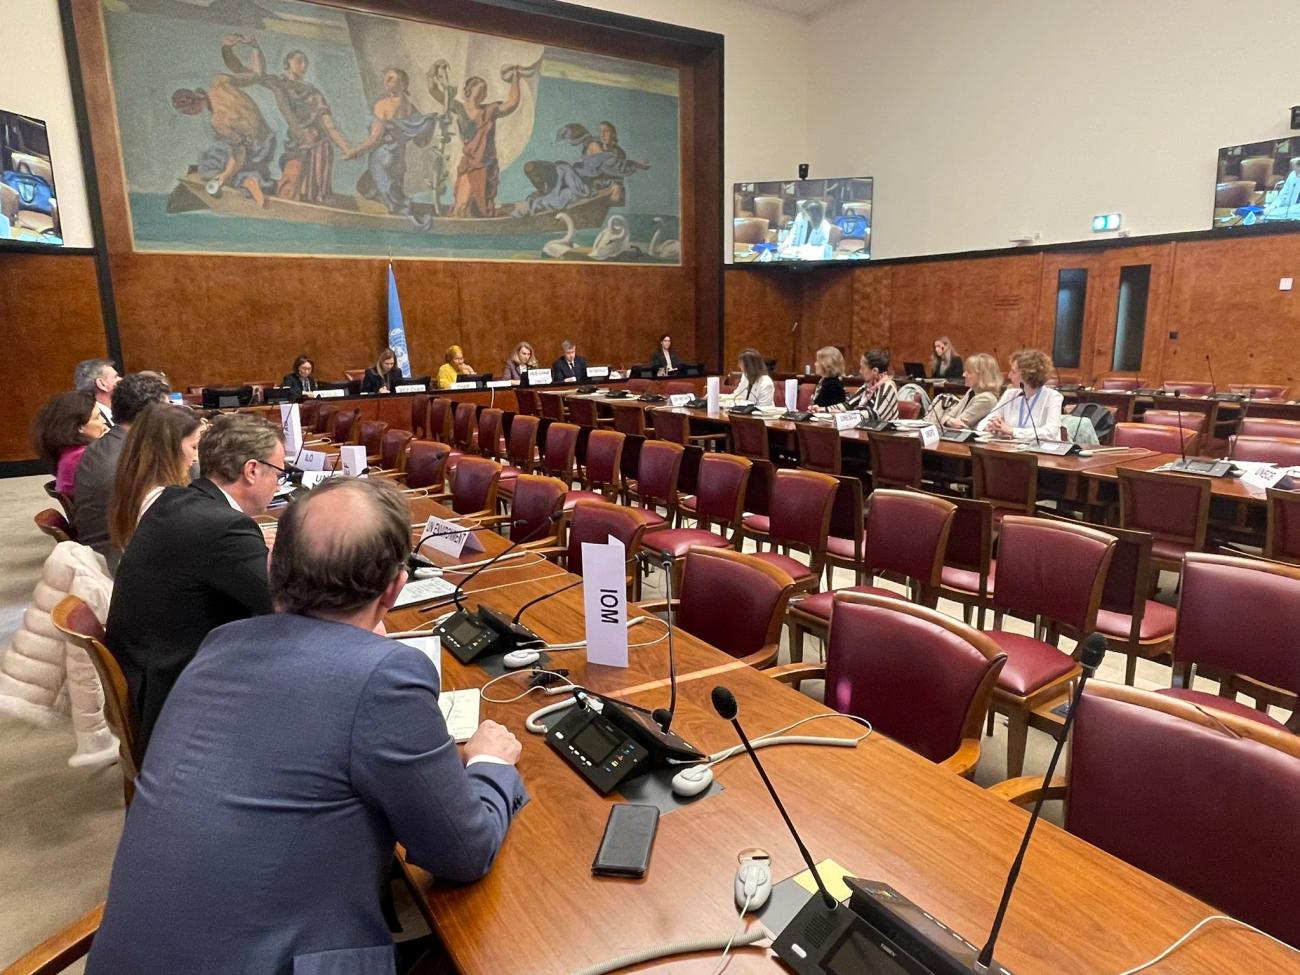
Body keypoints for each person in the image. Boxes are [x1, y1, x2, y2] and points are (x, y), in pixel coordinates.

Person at [86, 478, 527, 975]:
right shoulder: (384, 677)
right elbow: (463, 852)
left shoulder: (220, 644)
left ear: (272, 567)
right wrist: (490, 763)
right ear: (395, 588)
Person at [105, 413, 282, 755]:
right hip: (178, 701)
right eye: (278, 472)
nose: (278, 483)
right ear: (252, 470)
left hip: (150, 675)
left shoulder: (173, 501)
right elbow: (283, 606)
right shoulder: (225, 528)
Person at [73, 373, 172, 566]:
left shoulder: (107, 444)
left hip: (104, 547)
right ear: (151, 416)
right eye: (168, 410)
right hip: (119, 560)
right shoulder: (130, 459)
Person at [171, 41, 277, 208]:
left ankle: (246, 181)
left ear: (191, 108)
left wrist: (226, 175)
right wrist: (255, 47)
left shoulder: (217, 121)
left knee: (209, 170)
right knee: (220, 151)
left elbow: (240, 152)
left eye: (186, 112)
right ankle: (251, 177)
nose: (189, 115)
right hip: (269, 140)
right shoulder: (220, 81)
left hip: (255, 150)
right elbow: (258, 74)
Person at [342, 67, 440, 226]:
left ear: (403, 84)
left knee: (374, 191)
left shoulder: (383, 105)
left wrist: (355, 151)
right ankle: (402, 222)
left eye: (391, 79)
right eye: (386, 78)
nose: (386, 81)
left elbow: (375, 139)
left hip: (381, 159)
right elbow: (421, 142)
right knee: (388, 194)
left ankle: (400, 222)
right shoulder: (411, 108)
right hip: (399, 162)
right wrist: (431, 123)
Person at [107, 403, 204, 552]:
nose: (196, 457)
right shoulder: (165, 503)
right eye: (194, 447)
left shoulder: (134, 486)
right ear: (169, 448)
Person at [30, 391, 107, 499]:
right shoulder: (84, 458)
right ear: (79, 427)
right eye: (97, 417)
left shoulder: (68, 452)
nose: (104, 422)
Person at [978, 349, 1063, 441]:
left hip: (1041, 448)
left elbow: (1051, 433)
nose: (1009, 376)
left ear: (1028, 375)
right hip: (1011, 447)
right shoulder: (1010, 394)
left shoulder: (1053, 397)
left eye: (1013, 372)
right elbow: (983, 423)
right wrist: (992, 427)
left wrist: (1012, 431)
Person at [935, 353, 1002, 429]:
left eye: (969, 372)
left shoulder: (986, 399)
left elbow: (958, 424)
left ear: (982, 376)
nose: (964, 375)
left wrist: (948, 420)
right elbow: (947, 417)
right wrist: (948, 420)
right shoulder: (972, 391)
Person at [845, 349, 900, 421]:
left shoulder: (888, 387)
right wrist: (830, 411)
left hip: (883, 428)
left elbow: (876, 415)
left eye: (862, 368)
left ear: (875, 371)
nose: (860, 371)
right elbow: (848, 405)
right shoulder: (868, 386)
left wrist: (846, 415)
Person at [73, 358, 120, 428]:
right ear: (102, 384)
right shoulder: (88, 419)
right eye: (115, 377)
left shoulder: (122, 410)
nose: (121, 379)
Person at [808, 346, 848, 412]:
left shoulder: (834, 385)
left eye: (818, 361)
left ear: (826, 364)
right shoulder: (823, 381)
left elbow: (834, 410)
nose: (815, 364)